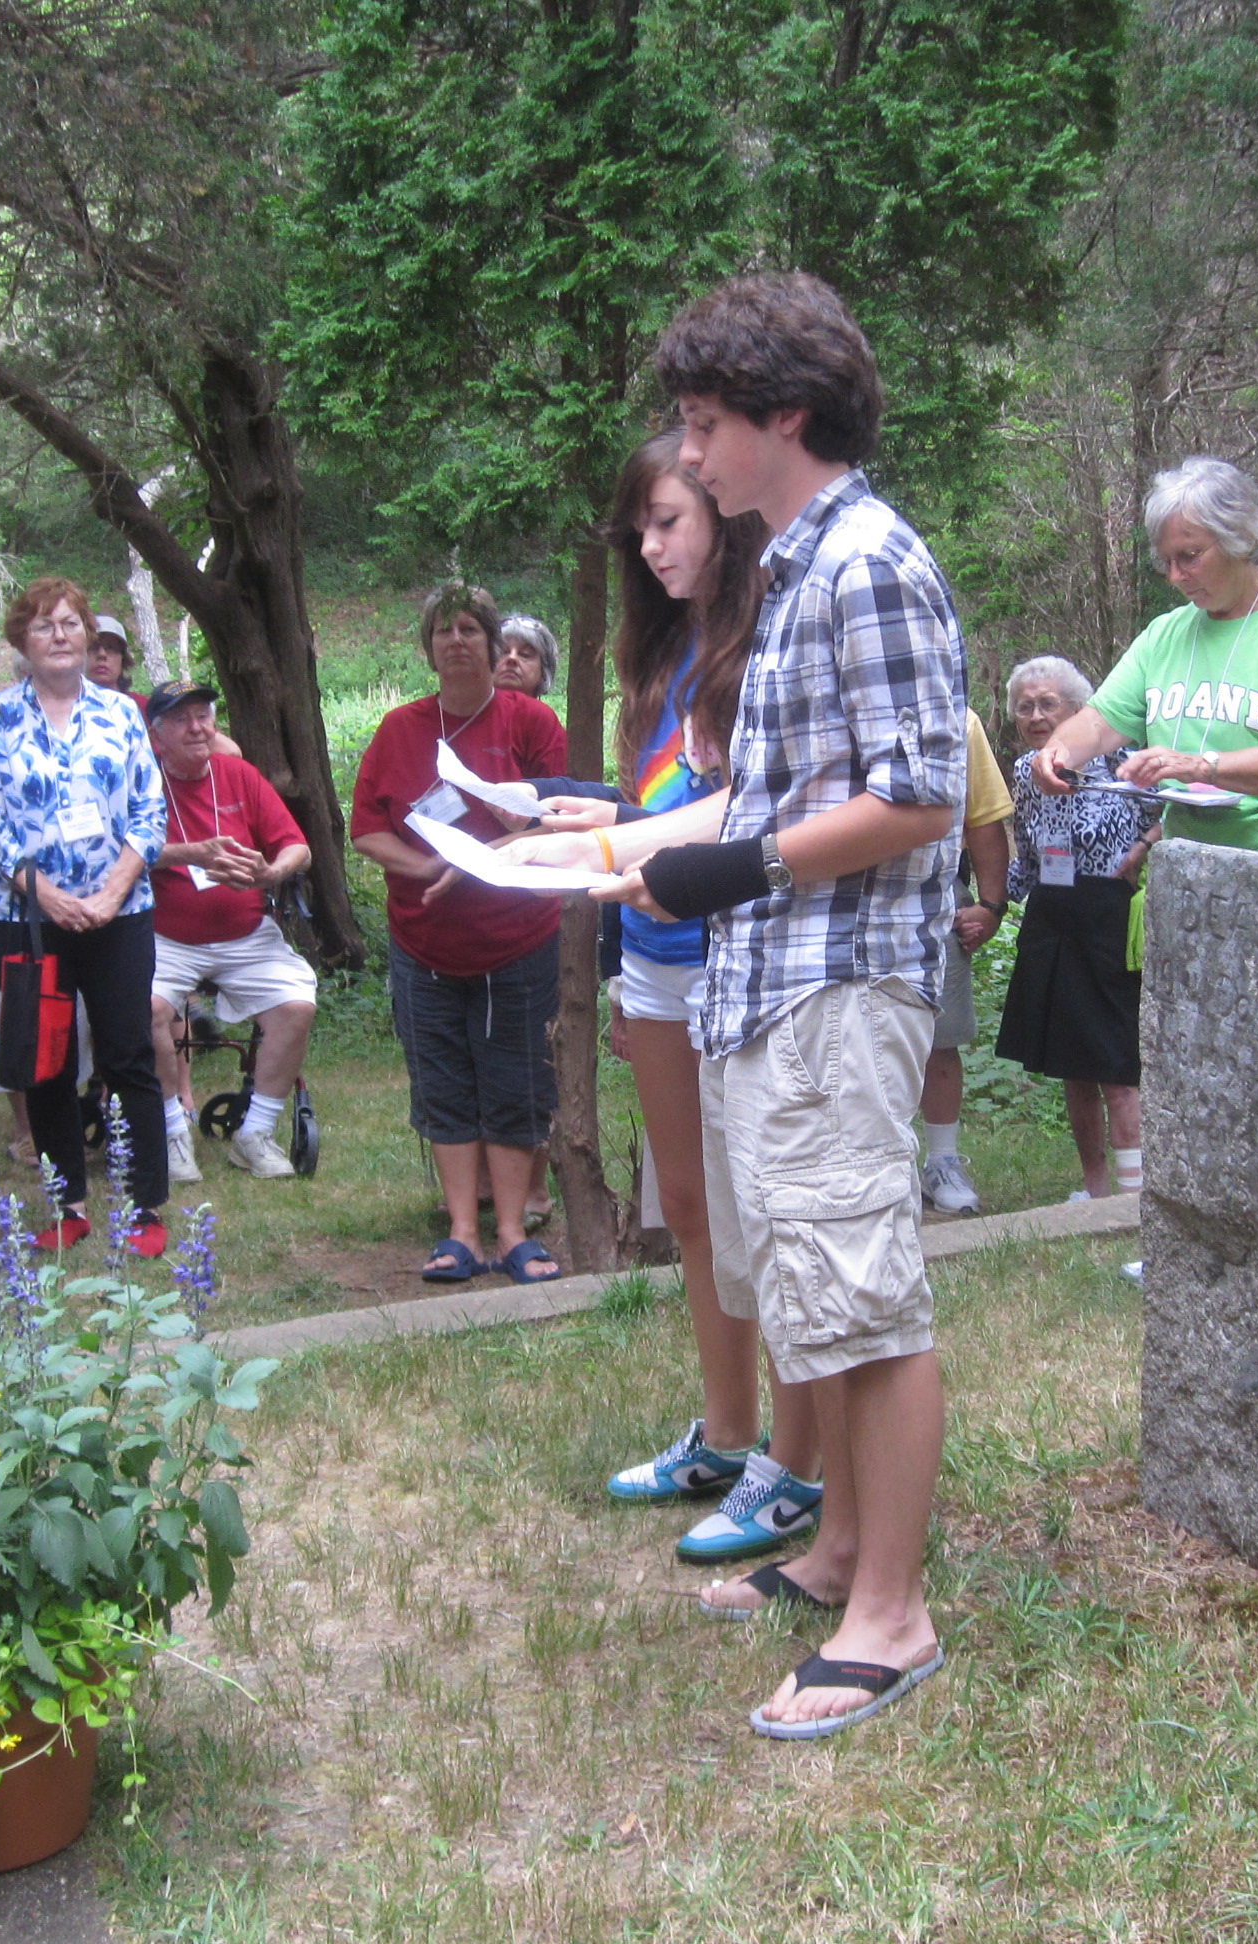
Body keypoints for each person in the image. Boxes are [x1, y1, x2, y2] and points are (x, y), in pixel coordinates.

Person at [520, 274, 965, 1737]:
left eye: (707, 425)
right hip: (775, 991)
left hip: (842, 988)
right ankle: (837, 1550)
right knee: (806, 1285)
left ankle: (891, 1621)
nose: (689, 457)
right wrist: (609, 846)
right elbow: (760, 791)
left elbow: (915, 794)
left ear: (787, 417)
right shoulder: (795, 567)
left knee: (866, 1290)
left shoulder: (871, 566)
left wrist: (739, 869)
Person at [538, 430, 825, 1562]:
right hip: (657, 959)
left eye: (670, 520)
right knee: (695, 1214)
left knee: (773, 1221)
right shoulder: (659, 649)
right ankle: (727, 1429)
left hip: (749, 957)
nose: (651, 545)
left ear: (725, 513)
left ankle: (795, 1468)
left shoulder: (774, 638)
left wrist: (625, 833)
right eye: (639, 527)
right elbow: (675, 792)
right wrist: (600, 814)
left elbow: (767, 807)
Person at [350, 583, 569, 1283]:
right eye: (443, 630)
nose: (457, 640)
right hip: (425, 944)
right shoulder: (400, 729)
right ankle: (462, 1232)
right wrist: (429, 866)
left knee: (516, 1081)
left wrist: (494, 849)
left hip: (518, 936)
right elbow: (367, 831)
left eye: (470, 628)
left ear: (492, 640)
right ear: (428, 649)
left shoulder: (530, 722)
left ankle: (512, 1233)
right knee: (444, 1080)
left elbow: (561, 822)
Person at [1031, 456, 1258, 876]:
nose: (1175, 576)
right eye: (1166, 561)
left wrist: (1199, 767)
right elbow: (1099, 722)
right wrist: (1058, 754)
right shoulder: (1165, 634)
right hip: (1199, 876)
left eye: (1189, 556)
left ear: (1238, 538)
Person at [0, 578, 171, 1256]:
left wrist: (112, 893)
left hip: (119, 910)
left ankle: (144, 1208)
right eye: (43, 625)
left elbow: (149, 811)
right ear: (21, 642)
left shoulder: (120, 713)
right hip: (26, 916)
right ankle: (69, 1208)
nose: (59, 634)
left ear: (90, 636)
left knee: (128, 1054)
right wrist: (47, 896)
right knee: (45, 1060)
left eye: (71, 623)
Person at [997, 656, 1160, 1199]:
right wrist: (992, 905)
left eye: (1048, 704)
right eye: (1026, 706)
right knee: (1071, 1063)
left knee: (1116, 1059)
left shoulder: (1124, 763)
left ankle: (1135, 1195)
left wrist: (1139, 851)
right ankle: (1095, 1190)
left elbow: (1174, 813)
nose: (1036, 715)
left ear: (1077, 709)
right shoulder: (1025, 772)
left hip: (1107, 914)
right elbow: (1024, 848)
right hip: (1051, 914)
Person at [145, 678, 317, 1182]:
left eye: (203, 714)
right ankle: (172, 1131)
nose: (196, 727)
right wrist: (191, 854)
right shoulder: (142, 783)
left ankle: (254, 1134)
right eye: (181, 718)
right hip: (166, 938)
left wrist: (272, 873)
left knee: (296, 1004)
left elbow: (297, 847)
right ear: (157, 735)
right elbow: (123, 853)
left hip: (245, 935)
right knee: (145, 1007)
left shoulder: (238, 775)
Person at [918, 710, 1013, 1213]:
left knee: (942, 1036)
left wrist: (992, 905)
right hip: (841, 895)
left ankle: (943, 1162)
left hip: (936, 890)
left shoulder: (960, 718)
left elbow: (984, 817)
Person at [495, 613, 559, 703]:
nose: (512, 658)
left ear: (544, 672)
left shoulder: (543, 716)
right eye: (503, 652)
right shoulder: (468, 713)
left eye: (525, 654)